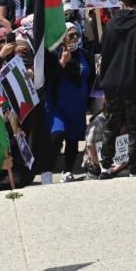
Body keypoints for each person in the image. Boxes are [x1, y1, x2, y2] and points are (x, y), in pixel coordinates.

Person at [98, 0, 136, 179]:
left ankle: (105, 167)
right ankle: (135, 168)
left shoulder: (111, 24)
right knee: (135, 127)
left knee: (111, 125)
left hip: (111, 83)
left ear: (121, 3)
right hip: (134, 83)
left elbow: (104, 56)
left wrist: (103, 84)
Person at [44, 23, 92, 182]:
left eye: (76, 35)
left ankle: (67, 170)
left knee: (73, 140)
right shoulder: (53, 55)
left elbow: (84, 77)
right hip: (57, 106)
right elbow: (49, 78)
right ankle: (47, 171)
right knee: (57, 134)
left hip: (77, 108)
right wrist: (63, 63)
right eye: (70, 36)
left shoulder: (84, 54)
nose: (74, 39)